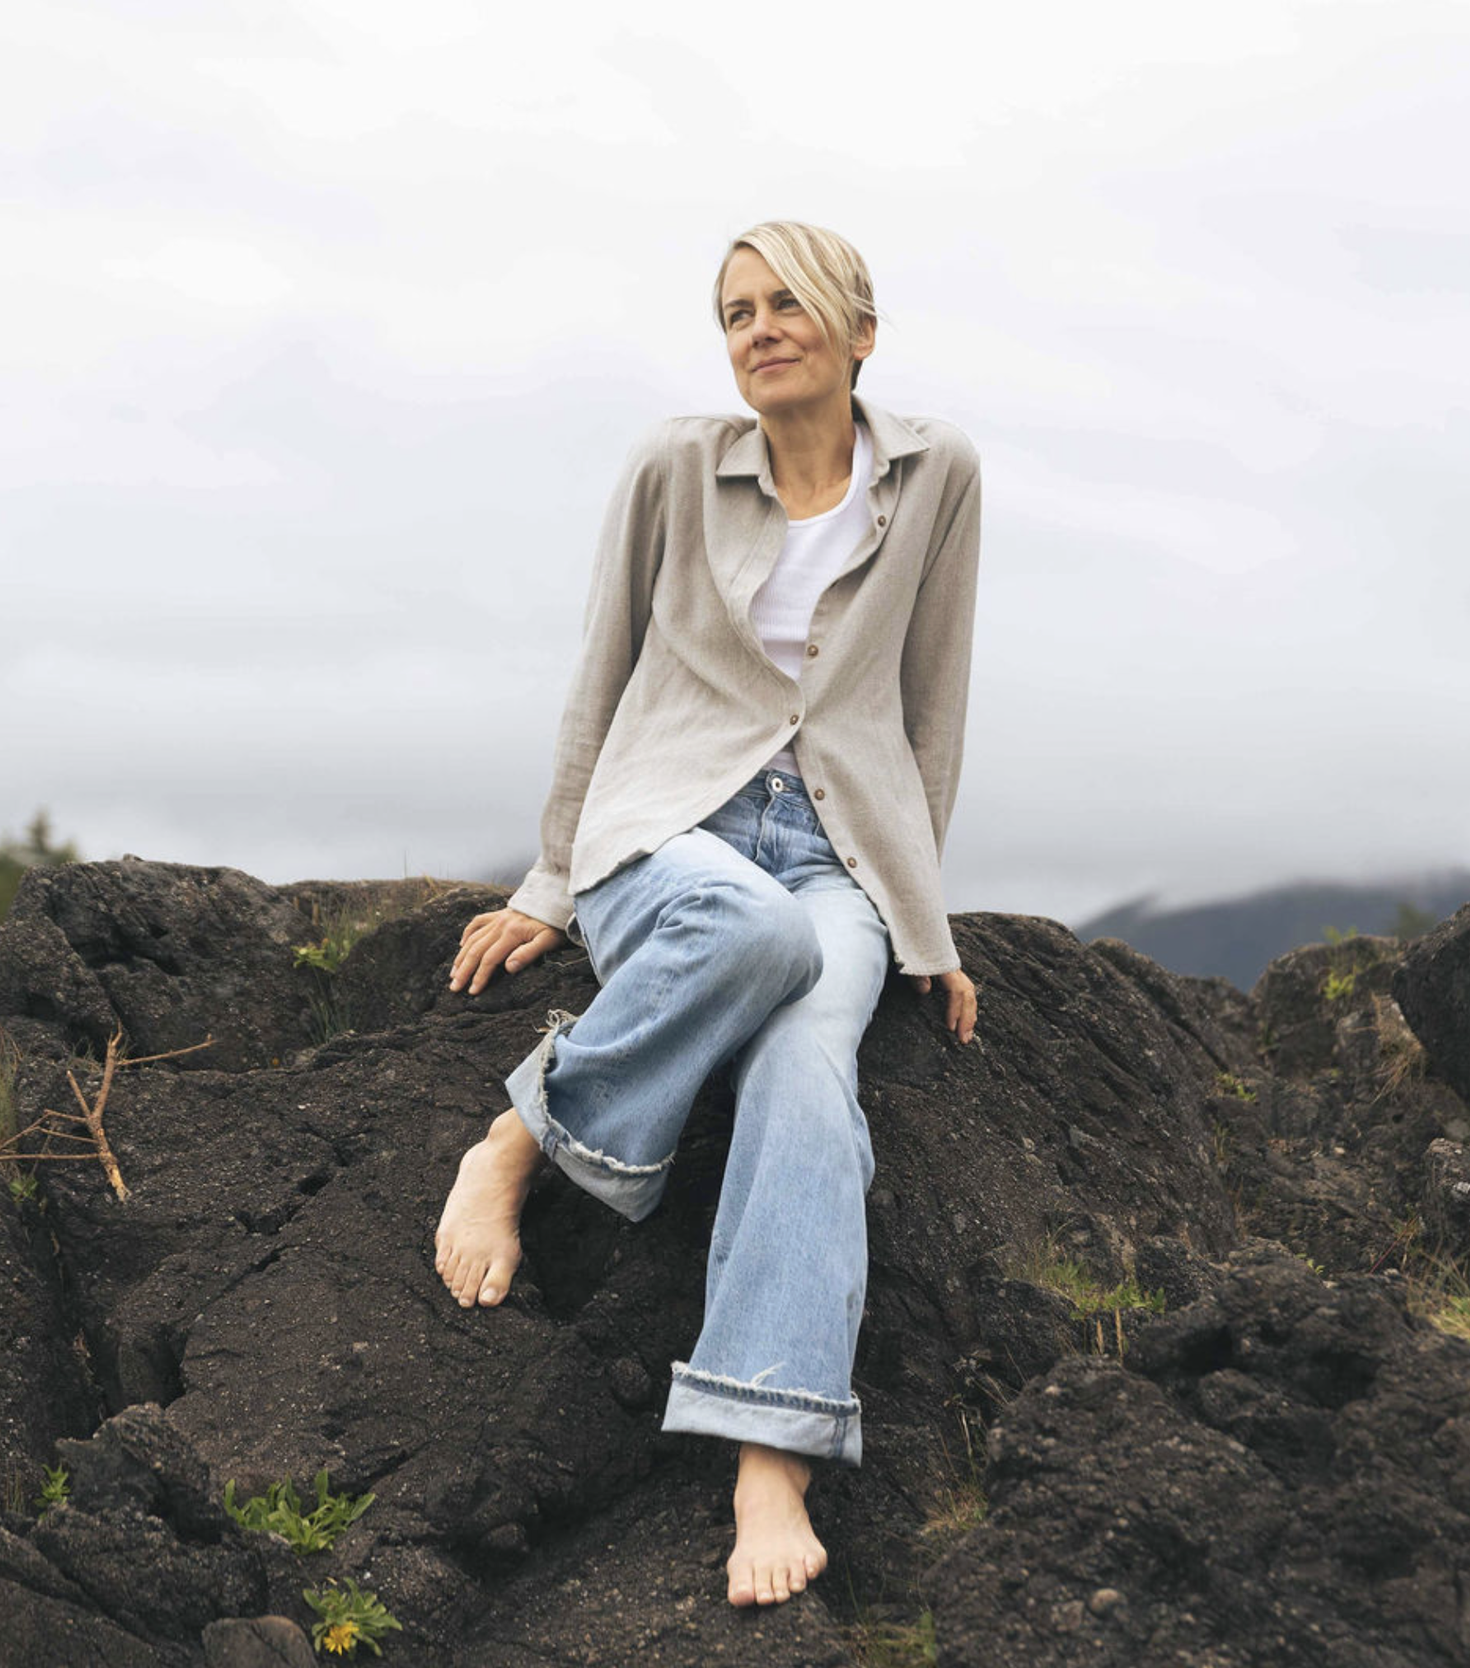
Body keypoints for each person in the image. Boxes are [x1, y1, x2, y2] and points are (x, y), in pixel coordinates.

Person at [432, 219, 982, 1609]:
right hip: (668, 825)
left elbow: (932, 701)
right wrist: (551, 880)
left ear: (861, 332)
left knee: (808, 1069)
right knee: (753, 936)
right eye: (736, 311)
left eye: (787, 303)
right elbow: (601, 669)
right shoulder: (674, 465)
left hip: (839, 850)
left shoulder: (940, 476)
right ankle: (516, 1140)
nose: (759, 328)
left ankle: (770, 1453)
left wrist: (923, 924)